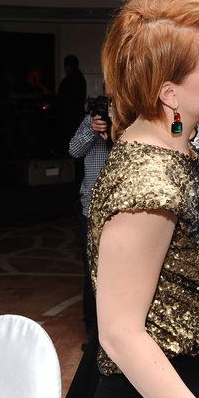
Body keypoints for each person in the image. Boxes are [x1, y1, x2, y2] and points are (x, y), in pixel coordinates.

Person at [86, 0, 199, 398]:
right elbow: (120, 334)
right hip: (166, 393)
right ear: (169, 95)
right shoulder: (148, 183)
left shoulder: (172, 144)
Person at [68, 87, 113, 344]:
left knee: (120, 272)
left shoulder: (134, 122)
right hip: (91, 208)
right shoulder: (91, 119)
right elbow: (73, 150)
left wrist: (113, 136)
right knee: (92, 273)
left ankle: (118, 332)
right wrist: (92, 130)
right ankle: (94, 332)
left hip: (121, 211)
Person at [38, 54, 88, 154]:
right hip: (77, 115)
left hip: (67, 116)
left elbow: (62, 98)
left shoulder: (68, 80)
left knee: (65, 142)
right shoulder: (81, 79)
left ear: (67, 67)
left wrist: (48, 95)